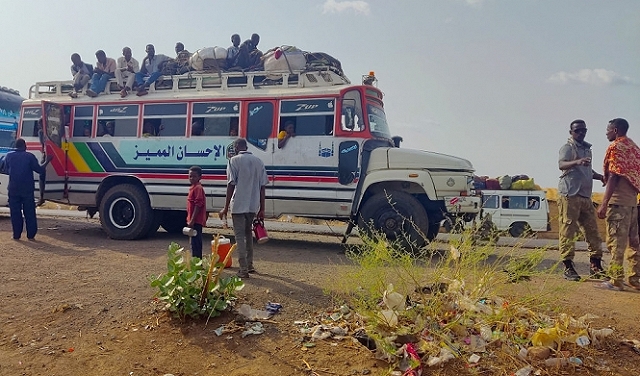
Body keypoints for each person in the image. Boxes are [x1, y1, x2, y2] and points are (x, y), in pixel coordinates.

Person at [558, 119, 606, 281]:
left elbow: (586, 170)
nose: (581, 133)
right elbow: (562, 164)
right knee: (568, 230)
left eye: (583, 130)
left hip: (585, 196)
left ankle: (596, 265)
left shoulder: (587, 149)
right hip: (569, 194)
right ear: (571, 132)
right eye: (577, 130)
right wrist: (577, 161)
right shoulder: (568, 147)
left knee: (592, 231)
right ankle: (568, 266)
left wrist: (599, 176)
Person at [595, 118, 640, 291]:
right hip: (631, 203)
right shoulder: (635, 148)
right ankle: (635, 279)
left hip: (618, 202)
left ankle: (616, 280)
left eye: (607, 130)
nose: (606, 133)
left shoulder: (616, 147)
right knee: (634, 242)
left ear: (615, 130)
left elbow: (614, 175)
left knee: (616, 242)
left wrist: (604, 203)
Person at [219, 138, 268, 278]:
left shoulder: (233, 161)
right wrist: (262, 208)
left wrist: (225, 207)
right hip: (253, 205)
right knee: (248, 235)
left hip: (238, 204)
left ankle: (243, 269)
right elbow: (262, 187)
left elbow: (231, 184)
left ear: (236, 147)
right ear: (246, 146)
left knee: (239, 236)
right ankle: (250, 264)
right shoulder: (258, 161)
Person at [1, 139, 52, 240]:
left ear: (15, 146)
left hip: (13, 189)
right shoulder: (29, 157)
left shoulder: (9, 156)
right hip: (27, 190)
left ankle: (16, 235)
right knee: (29, 213)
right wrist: (47, 161)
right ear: (25, 146)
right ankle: (31, 235)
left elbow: (6, 169)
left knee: (15, 213)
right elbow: (40, 170)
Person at [187, 166, 207, 259]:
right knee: (193, 242)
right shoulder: (193, 188)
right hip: (193, 220)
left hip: (196, 221)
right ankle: (195, 262)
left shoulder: (198, 188)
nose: (191, 178)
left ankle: (197, 263)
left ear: (200, 177)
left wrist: (192, 220)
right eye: (190, 176)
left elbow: (198, 205)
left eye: (194, 176)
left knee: (196, 243)